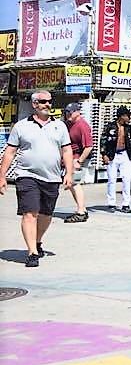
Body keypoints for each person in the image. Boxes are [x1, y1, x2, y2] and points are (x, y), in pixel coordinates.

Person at [0, 91, 74, 267]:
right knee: (30, 213)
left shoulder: (60, 126)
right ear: (34, 104)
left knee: (46, 215)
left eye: (49, 101)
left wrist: (69, 173)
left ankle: (37, 241)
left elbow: (67, 151)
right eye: (43, 102)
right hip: (27, 176)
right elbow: (10, 152)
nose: (47, 104)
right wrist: (2, 175)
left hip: (52, 177)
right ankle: (32, 252)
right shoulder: (21, 126)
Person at [63, 103, 93, 223]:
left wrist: (79, 161)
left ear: (77, 112)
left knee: (74, 183)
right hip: (72, 157)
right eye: (67, 112)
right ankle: (82, 209)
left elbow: (89, 146)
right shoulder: (70, 124)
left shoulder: (82, 125)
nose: (68, 114)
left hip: (78, 157)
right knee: (71, 184)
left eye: (70, 112)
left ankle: (81, 211)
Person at [100, 106, 131, 213]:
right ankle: (111, 203)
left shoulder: (128, 128)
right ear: (122, 116)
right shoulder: (110, 126)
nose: (129, 118)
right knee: (112, 179)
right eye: (127, 116)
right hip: (112, 155)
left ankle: (126, 204)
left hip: (125, 154)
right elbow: (103, 140)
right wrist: (103, 154)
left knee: (127, 179)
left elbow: (129, 142)